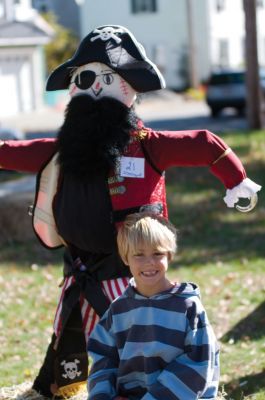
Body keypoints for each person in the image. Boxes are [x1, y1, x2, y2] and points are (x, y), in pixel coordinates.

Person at [0, 24, 260, 397]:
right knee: (74, 345)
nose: (92, 89)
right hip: (80, 271)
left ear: (125, 85)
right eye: (83, 78)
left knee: (140, 344)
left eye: (102, 78)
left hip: (135, 273)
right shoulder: (62, 150)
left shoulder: (146, 145)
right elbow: (11, 152)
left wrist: (236, 179)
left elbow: (203, 144)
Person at [88, 212, 220, 400]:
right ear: (125, 258)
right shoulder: (119, 310)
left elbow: (198, 364)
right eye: (139, 255)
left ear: (170, 255)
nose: (149, 262)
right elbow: (103, 359)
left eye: (157, 253)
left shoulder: (188, 307)